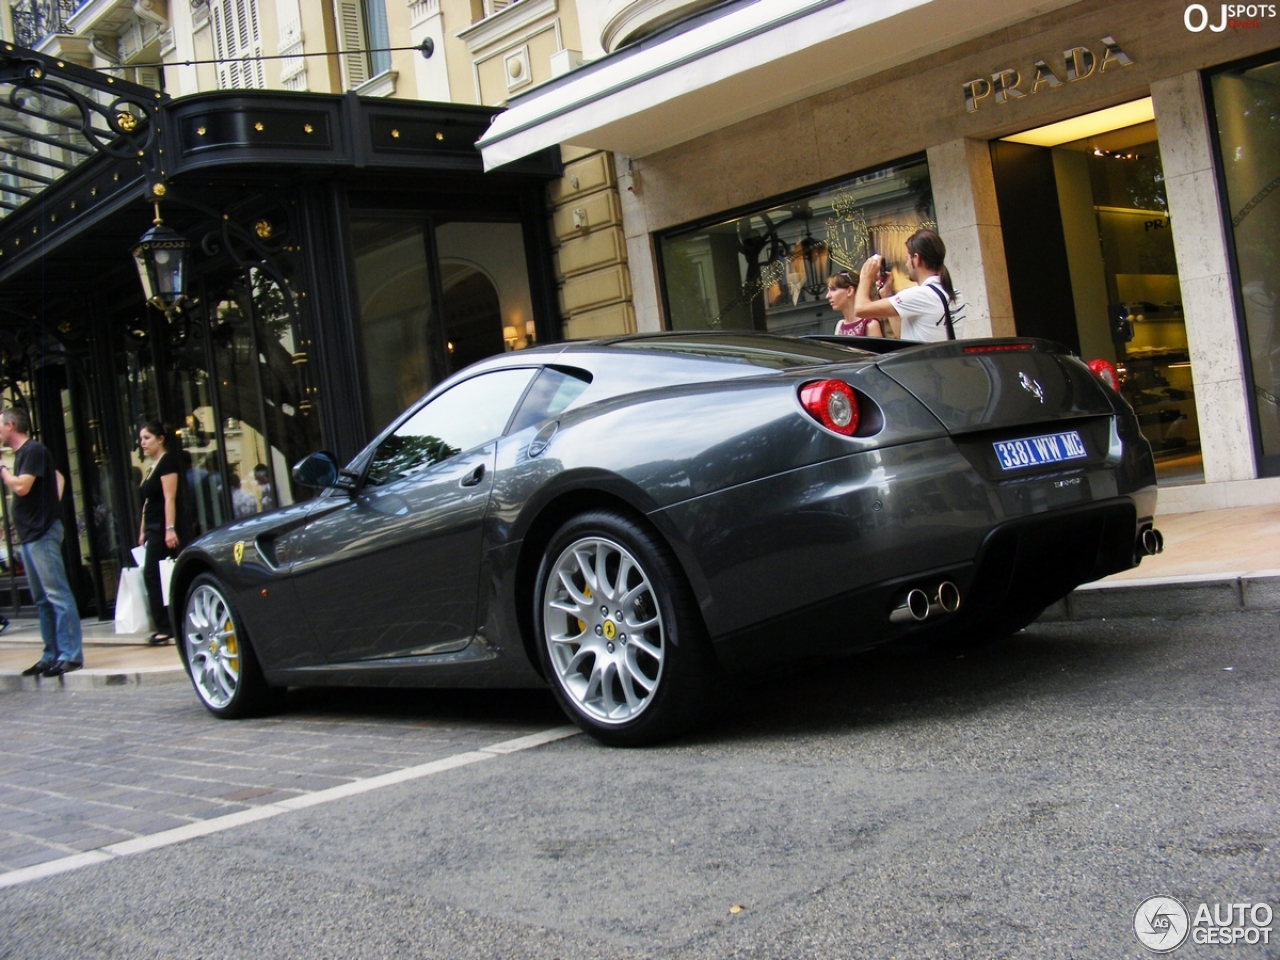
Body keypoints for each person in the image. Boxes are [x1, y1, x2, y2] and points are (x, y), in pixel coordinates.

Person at [0, 407, 83, 677]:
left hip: (41, 533)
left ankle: (71, 655)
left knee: (56, 593)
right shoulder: (26, 454)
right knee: (42, 599)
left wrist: (3, 471)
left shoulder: (33, 450)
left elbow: (22, 487)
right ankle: (51, 655)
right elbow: (58, 478)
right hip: (31, 534)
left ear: (11, 425)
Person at [854, 229, 968, 341]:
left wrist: (865, 277)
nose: (907, 264)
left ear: (916, 259)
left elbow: (860, 309)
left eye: (907, 258)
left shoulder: (919, 295)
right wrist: (886, 294)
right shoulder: (956, 294)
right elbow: (902, 336)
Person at [138, 421, 180, 645]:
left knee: (156, 574)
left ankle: (167, 625)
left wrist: (169, 528)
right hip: (153, 526)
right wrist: (142, 529)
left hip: (162, 526)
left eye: (147, 438)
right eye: (141, 439)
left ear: (160, 439)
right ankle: (163, 624)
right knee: (153, 574)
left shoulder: (166, 462)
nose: (142, 443)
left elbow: (169, 497)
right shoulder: (151, 466)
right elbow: (147, 502)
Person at [827, 270, 882, 337]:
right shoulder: (839, 325)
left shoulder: (870, 324)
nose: (827, 296)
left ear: (850, 291)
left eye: (833, 289)